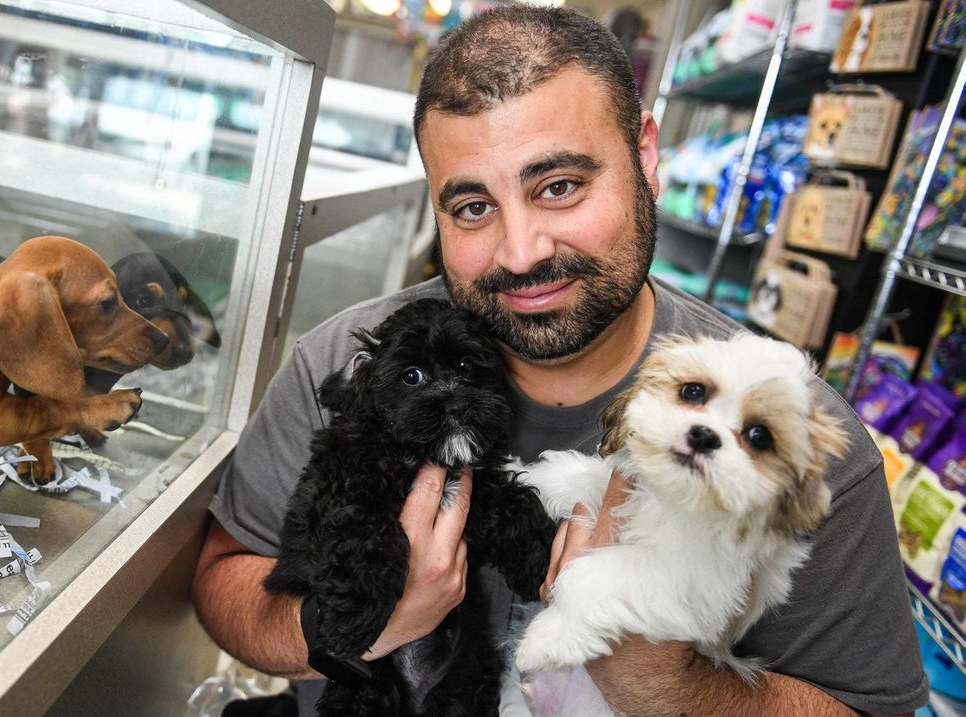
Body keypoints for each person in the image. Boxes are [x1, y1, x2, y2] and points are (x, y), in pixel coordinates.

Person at [192, 6, 928, 716]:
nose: (522, 252)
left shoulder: (790, 441)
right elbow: (225, 581)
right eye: (473, 206)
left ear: (644, 156)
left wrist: (669, 685)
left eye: (560, 186)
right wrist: (342, 627)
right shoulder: (350, 362)